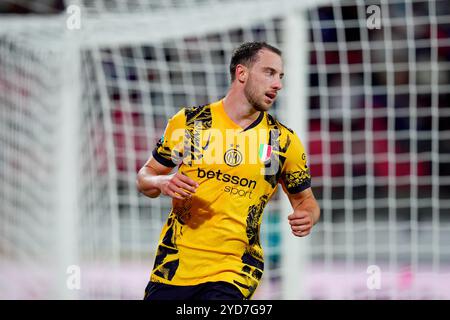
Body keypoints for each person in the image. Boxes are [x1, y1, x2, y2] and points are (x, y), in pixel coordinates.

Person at [137, 41, 320, 300]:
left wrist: (308, 216)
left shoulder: (281, 141)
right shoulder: (190, 123)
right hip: (174, 266)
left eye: (280, 77)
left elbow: (306, 201)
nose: (278, 84)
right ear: (241, 73)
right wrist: (162, 181)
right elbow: (144, 177)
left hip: (235, 271)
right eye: (269, 73)